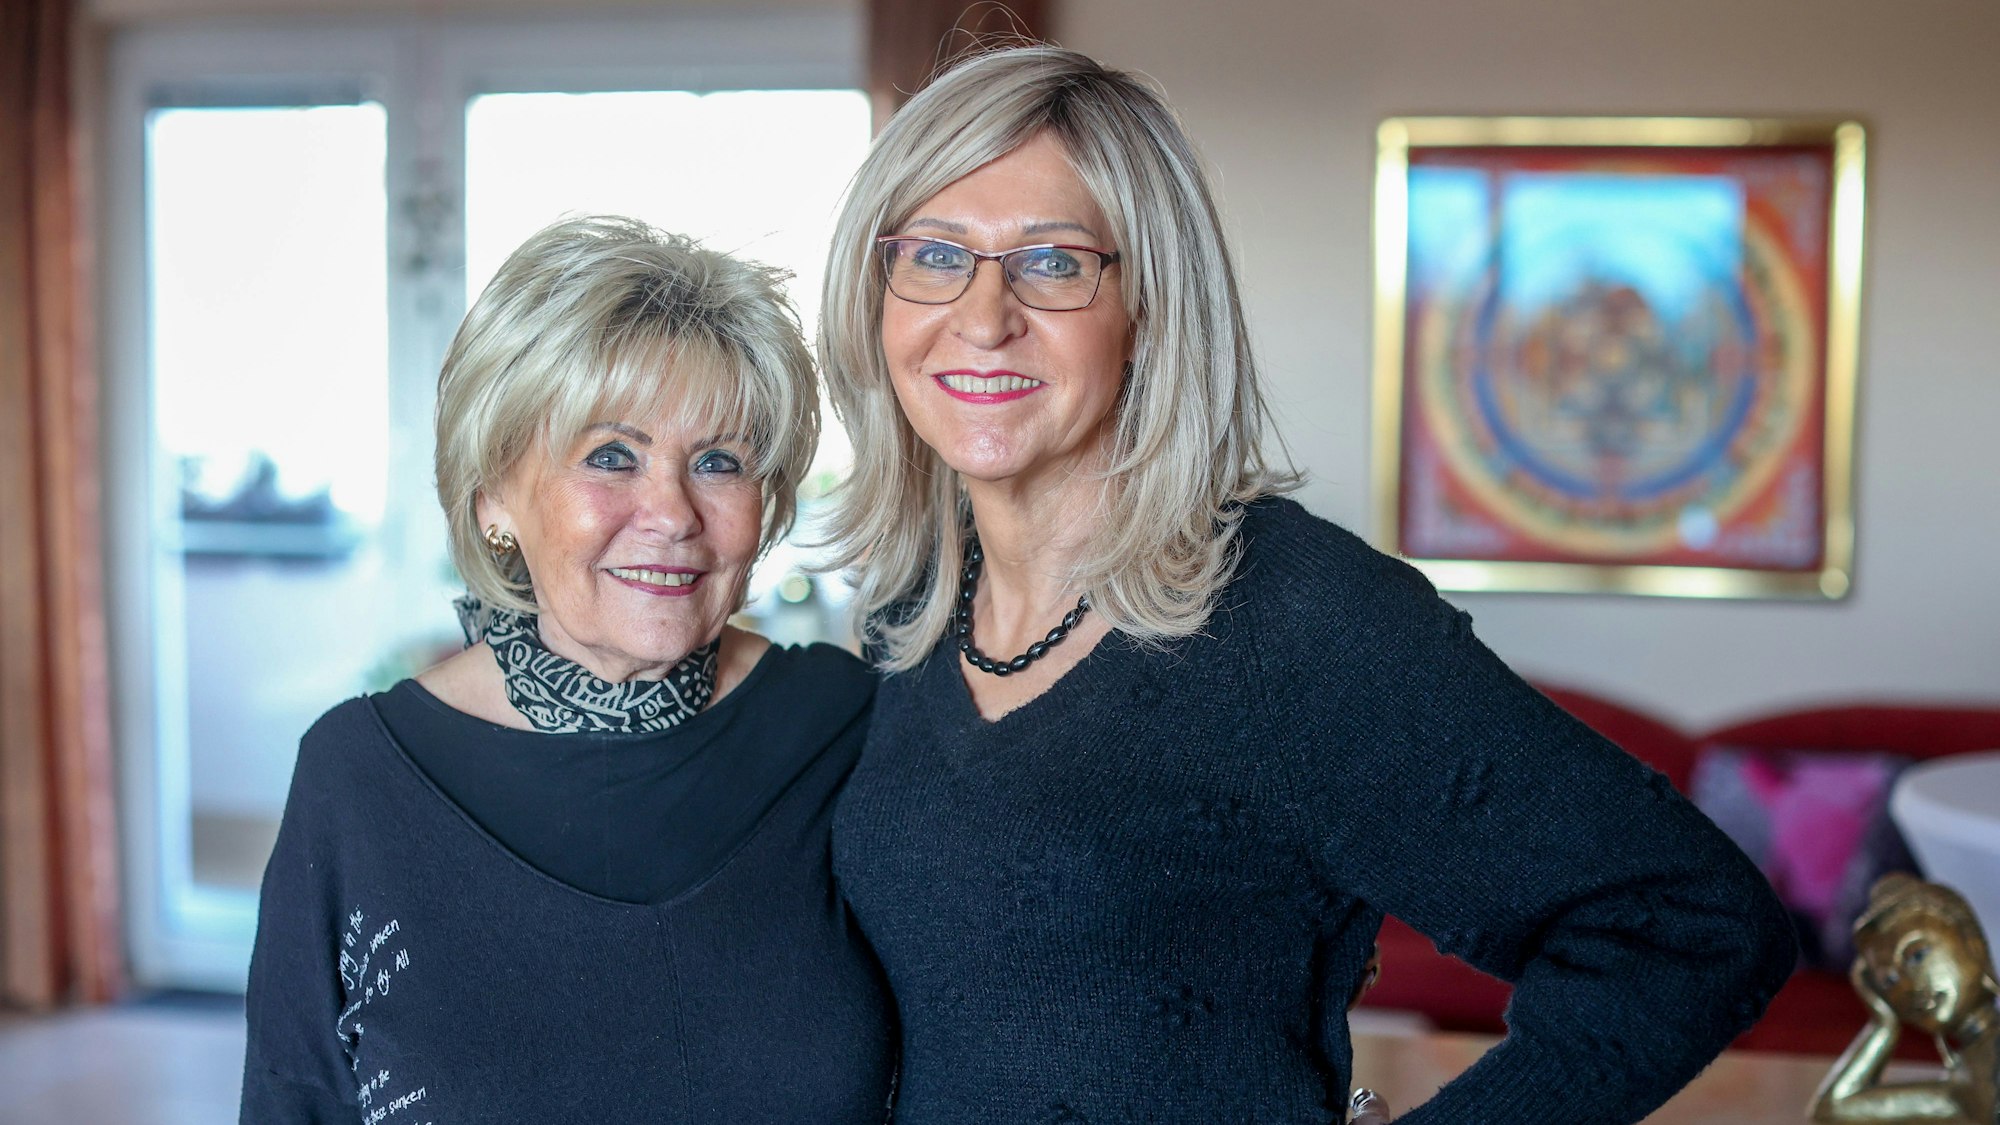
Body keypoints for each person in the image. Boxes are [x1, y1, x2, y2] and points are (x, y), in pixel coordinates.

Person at [817, 46, 1798, 1124]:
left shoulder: (1291, 615)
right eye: (932, 254)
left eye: (1052, 263)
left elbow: (1686, 924)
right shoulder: (904, 617)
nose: (983, 313)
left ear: (1148, 304)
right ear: (876, 295)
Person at [240, 216, 895, 1123]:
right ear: (494, 499)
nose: (671, 512)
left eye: (719, 461)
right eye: (610, 456)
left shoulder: (845, 728)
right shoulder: (358, 779)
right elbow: (294, 1102)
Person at [1810, 874, 1999, 1123]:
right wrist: (1883, 1027)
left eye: (1917, 956)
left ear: (1972, 942)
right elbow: (1832, 1108)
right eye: (1889, 981)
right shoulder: (1964, 1085)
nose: (1908, 987)